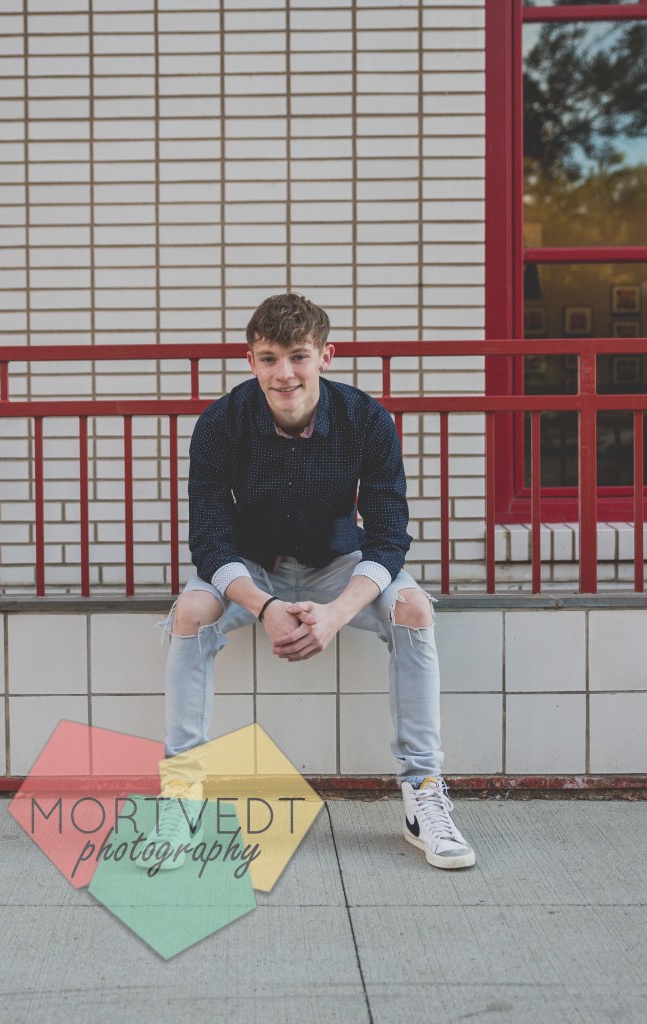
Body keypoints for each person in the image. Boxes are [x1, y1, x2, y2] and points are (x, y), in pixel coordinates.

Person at [148, 293, 475, 871]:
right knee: (191, 613)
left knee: (414, 609)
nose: (284, 374)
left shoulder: (365, 418)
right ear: (250, 361)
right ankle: (182, 795)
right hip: (252, 565)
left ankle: (423, 792)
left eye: (298, 356)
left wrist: (338, 612)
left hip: (338, 561)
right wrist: (265, 606)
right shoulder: (221, 423)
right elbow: (210, 540)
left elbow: (389, 535)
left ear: (326, 355)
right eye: (269, 358)